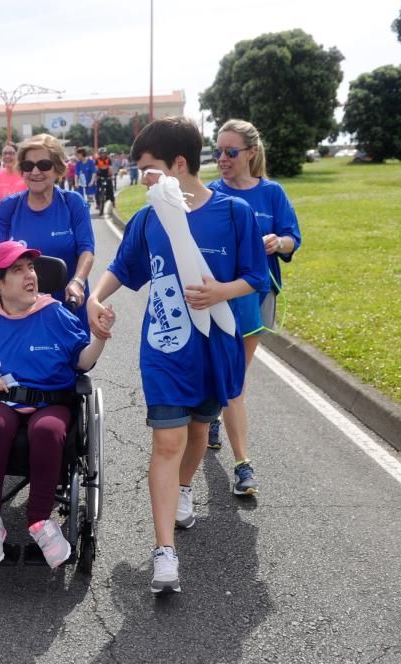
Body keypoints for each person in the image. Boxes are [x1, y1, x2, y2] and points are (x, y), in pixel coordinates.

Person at [86, 116, 268, 594]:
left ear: (178, 165)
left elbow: (256, 276)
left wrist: (220, 292)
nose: (141, 177)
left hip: (215, 347)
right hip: (165, 348)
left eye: (147, 169)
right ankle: (165, 550)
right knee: (166, 444)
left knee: (196, 434)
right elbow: (123, 268)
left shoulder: (233, 215)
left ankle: (185, 487)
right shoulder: (149, 218)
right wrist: (95, 297)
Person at [0, 241, 111, 569]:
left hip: (50, 401)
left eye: (31, 268)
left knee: (48, 430)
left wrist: (99, 337)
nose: (30, 275)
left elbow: (82, 363)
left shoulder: (54, 312)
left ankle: (39, 521)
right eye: (18, 270)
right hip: (0, 400)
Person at [205, 118, 302, 495]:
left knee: (236, 380)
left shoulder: (272, 192)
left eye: (231, 152)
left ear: (250, 153)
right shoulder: (210, 192)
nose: (223, 159)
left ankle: (241, 462)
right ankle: (222, 429)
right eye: (219, 151)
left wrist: (278, 243)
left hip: (258, 296)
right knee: (228, 379)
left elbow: (295, 238)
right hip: (218, 299)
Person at [0, 133, 96, 335]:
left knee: (75, 364)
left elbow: (87, 249)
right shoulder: (8, 208)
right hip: (22, 309)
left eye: (44, 165)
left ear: (58, 168)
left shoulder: (73, 202)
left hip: (68, 302)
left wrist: (78, 282)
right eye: (28, 166)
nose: (35, 171)